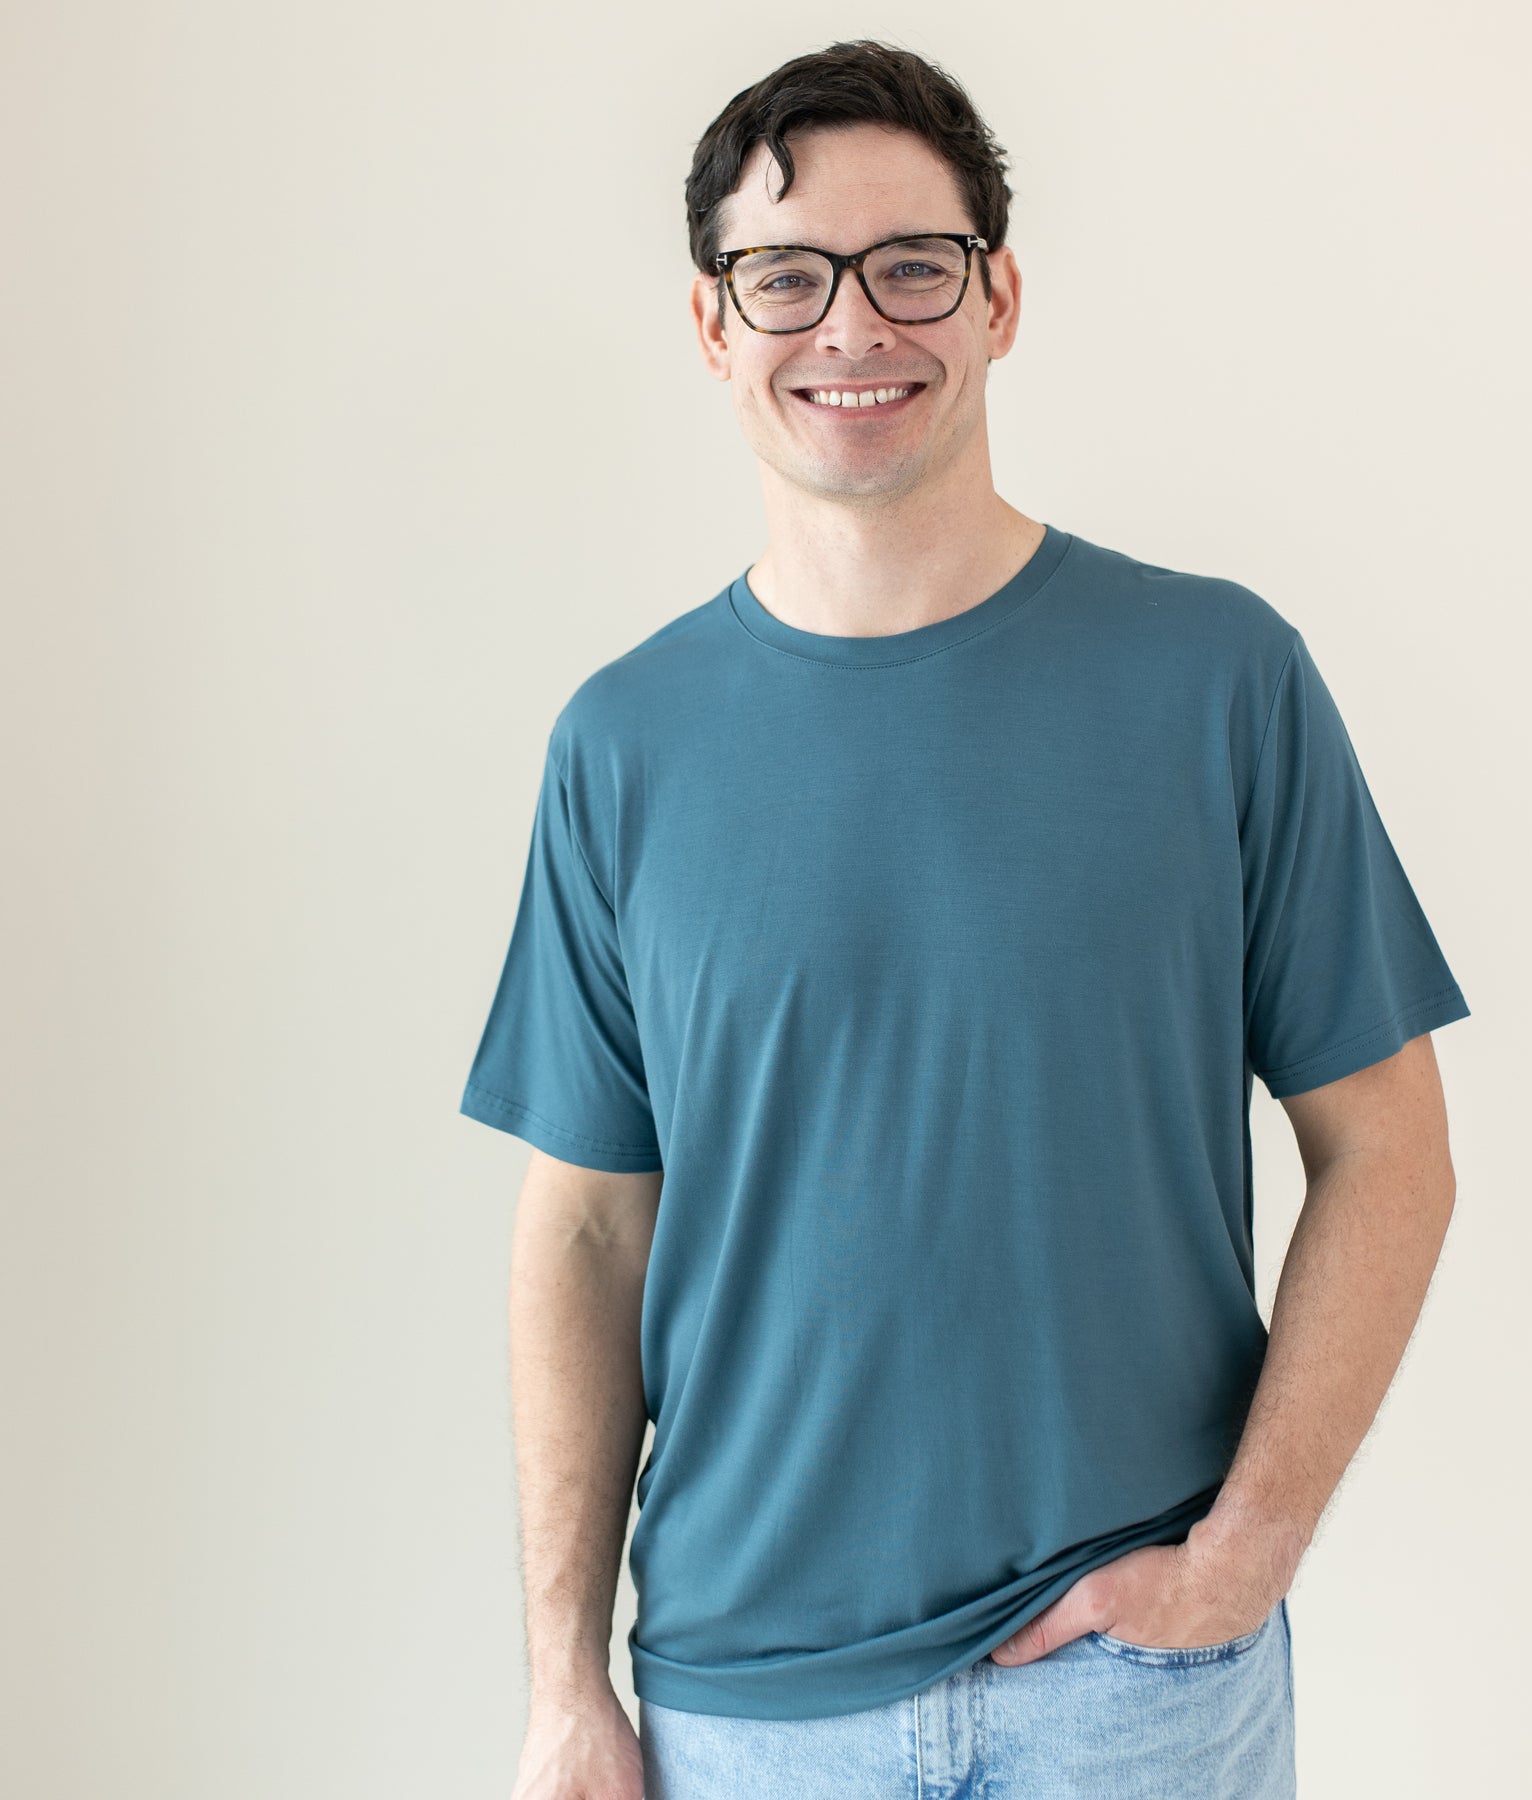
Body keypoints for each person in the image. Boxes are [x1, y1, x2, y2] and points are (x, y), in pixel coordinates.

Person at [460, 38, 1470, 1800]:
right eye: (785, 275)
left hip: (1136, 1691)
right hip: (745, 1706)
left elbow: (1390, 1145)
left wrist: (1245, 1559)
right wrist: (564, 1684)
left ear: (999, 297)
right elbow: (583, 1240)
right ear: (714, 325)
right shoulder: (622, 745)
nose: (853, 326)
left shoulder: (1217, 678)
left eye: (911, 263)